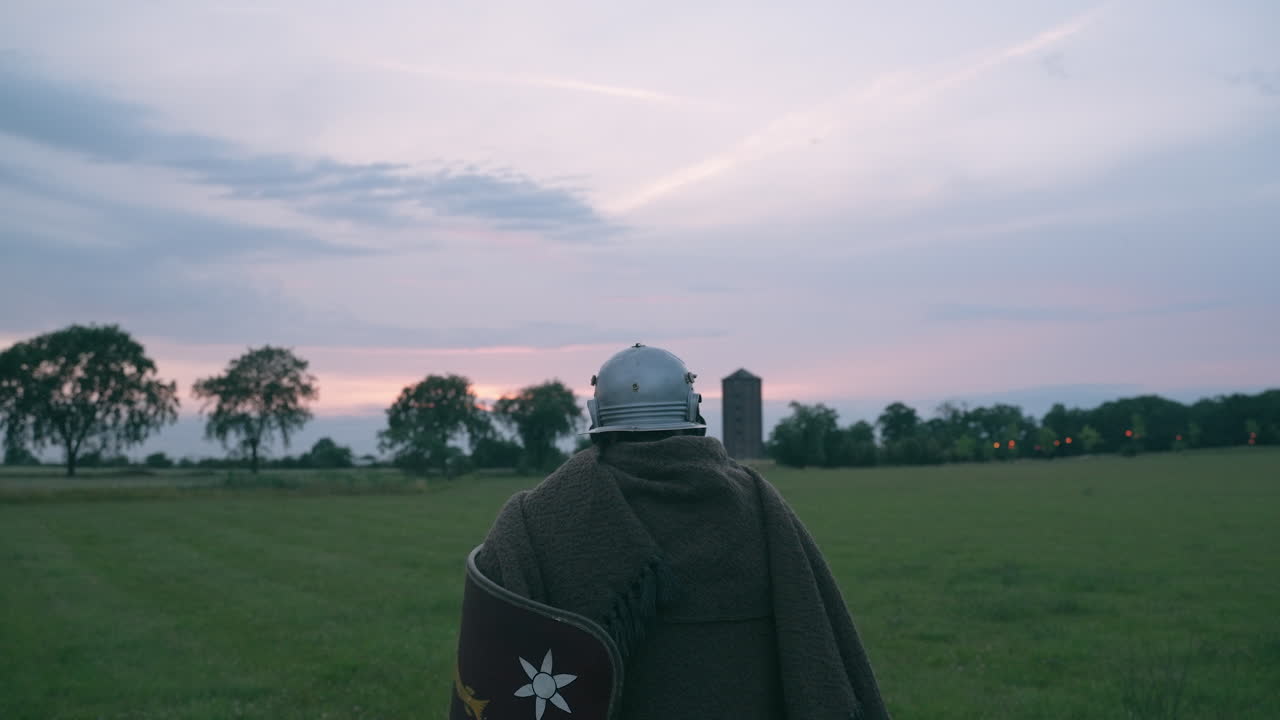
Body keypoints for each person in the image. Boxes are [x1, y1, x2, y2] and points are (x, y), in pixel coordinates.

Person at [450, 344, 889, 720]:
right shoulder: (757, 504)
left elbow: (492, 660)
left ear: (598, 413)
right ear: (691, 408)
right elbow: (813, 640)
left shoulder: (537, 516)